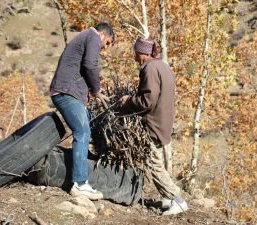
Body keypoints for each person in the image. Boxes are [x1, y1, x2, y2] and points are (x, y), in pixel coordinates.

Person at [119, 37, 188, 215]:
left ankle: (176, 199)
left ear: (141, 52)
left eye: (135, 51)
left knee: (152, 162)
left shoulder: (149, 68)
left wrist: (128, 101)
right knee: (156, 159)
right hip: (163, 121)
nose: (134, 55)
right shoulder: (162, 66)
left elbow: (147, 100)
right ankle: (167, 197)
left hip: (153, 123)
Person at [49, 22, 114, 200]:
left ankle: (83, 166)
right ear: (103, 35)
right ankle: (80, 183)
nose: (105, 48)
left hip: (66, 91)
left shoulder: (85, 37)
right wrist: (97, 89)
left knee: (88, 121)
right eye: (108, 42)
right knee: (82, 131)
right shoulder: (93, 36)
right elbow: (90, 64)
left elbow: (82, 66)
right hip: (66, 92)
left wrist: (89, 92)